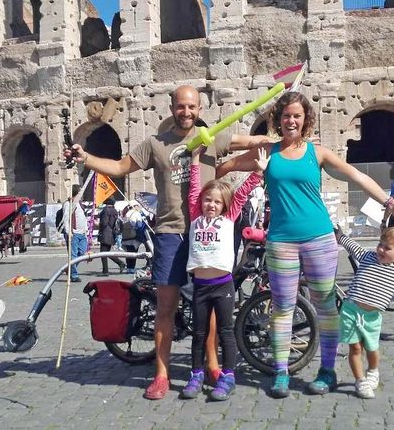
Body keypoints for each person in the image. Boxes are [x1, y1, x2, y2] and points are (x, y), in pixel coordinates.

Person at [64, 84, 271, 400]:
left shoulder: (213, 137)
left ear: (200, 109)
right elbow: (119, 167)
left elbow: (254, 141)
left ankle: (213, 366)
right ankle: (161, 374)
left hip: (207, 233)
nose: (186, 112)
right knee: (165, 306)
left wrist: (289, 139)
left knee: (211, 307)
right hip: (170, 232)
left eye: (191, 106)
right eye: (181, 106)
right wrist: (86, 157)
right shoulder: (155, 144)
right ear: (172, 107)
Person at [216, 91, 394, 398]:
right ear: (278, 119)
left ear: (306, 119)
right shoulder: (268, 152)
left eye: (297, 115)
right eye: (286, 116)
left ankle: (327, 371)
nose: (291, 121)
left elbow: (357, 177)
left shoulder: (317, 153)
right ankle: (281, 372)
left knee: (325, 307)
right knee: (282, 308)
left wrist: (392, 203)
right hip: (281, 240)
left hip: (319, 238)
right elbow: (225, 166)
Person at [181, 146, 266, 401]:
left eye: (217, 202)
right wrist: (195, 159)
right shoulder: (195, 217)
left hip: (222, 285)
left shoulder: (229, 219)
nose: (211, 204)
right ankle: (196, 374)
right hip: (200, 286)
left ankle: (228, 376)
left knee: (226, 332)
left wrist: (258, 173)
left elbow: (241, 194)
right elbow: (194, 188)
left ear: (224, 205)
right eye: (208, 200)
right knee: (199, 333)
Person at [335, 220, 394, 399]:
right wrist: (340, 236)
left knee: (372, 349)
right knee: (355, 348)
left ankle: (373, 371)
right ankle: (360, 381)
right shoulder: (368, 256)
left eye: (387, 248)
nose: (381, 250)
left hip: (372, 317)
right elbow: (353, 246)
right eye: (380, 245)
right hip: (351, 310)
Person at [62, 186, 89, 282]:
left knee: (82, 253)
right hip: (74, 233)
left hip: (82, 233)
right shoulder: (68, 204)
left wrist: (86, 229)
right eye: (80, 192)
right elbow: (66, 218)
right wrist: (68, 232)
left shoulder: (80, 204)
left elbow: (83, 218)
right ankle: (74, 275)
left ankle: (69, 269)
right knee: (73, 255)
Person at [97, 198, 126, 275]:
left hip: (105, 233)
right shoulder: (115, 211)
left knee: (103, 253)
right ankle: (119, 263)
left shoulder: (105, 210)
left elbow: (104, 222)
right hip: (112, 233)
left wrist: (99, 227)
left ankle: (106, 270)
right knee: (106, 252)